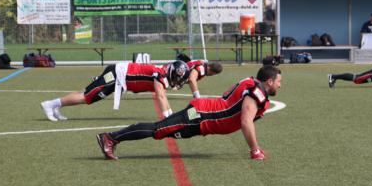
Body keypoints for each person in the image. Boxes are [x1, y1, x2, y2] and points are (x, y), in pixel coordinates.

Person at [96, 65, 282, 161]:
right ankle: (110, 138)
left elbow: (226, 94)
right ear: (269, 81)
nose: (280, 85)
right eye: (279, 81)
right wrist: (255, 150)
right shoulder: (256, 93)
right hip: (201, 116)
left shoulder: (249, 81)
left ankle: (112, 138)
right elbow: (246, 122)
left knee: (161, 130)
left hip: (203, 119)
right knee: (158, 129)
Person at [40, 60, 189, 122]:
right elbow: (161, 96)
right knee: (86, 97)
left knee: (86, 94)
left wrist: (171, 115)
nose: (177, 82)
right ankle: (50, 104)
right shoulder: (160, 75)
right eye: (178, 79)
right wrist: (169, 118)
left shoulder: (163, 73)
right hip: (116, 75)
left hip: (118, 78)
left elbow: (163, 95)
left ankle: (56, 105)